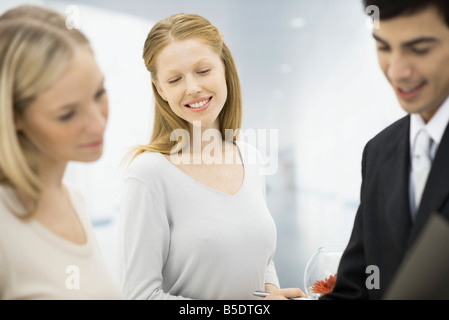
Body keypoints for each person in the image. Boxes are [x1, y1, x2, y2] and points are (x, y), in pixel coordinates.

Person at [268, 0, 449, 300]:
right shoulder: (379, 153)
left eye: (419, 49)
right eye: (383, 47)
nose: (398, 71)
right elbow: (358, 287)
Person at [117, 13, 304, 300]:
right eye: (175, 79)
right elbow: (140, 295)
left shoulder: (250, 158)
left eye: (203, 71)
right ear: (161, 90)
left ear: (225, 69)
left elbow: (262, 260)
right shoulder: (148, 175)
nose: (192, 88)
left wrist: (271, 293)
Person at [0, 5, 122, 299]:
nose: (98, 123)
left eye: (99, 94)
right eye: (67, 114)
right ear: (14, 116)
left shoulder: (74, 201)